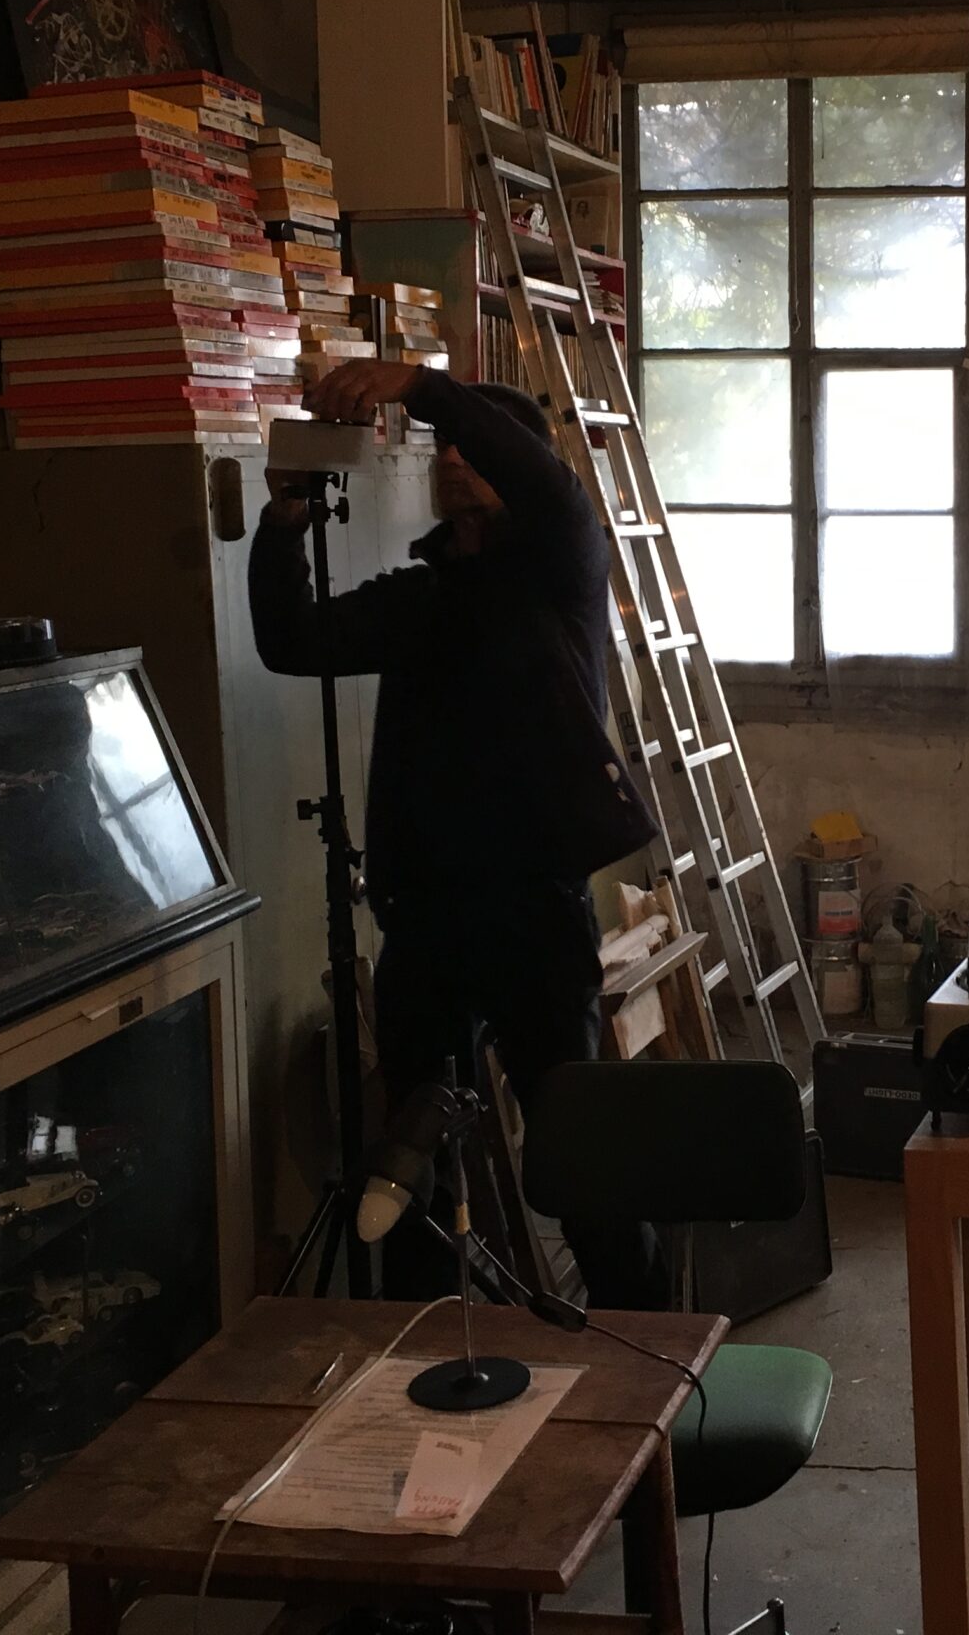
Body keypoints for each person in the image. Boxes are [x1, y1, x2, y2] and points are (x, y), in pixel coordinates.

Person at [250, 358, 667, 1309]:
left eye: (471, 447)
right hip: (426, 920)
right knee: (413, 1172)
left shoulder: (562, 569)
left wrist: (422, 387)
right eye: (442, 449)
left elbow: (544, 484)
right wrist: (284, 524)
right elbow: (292, 642)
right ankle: (427, 1346)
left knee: (578, 1155)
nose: (452, 461)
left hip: (533, 915)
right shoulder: (424, 596)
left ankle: (648, 1350)